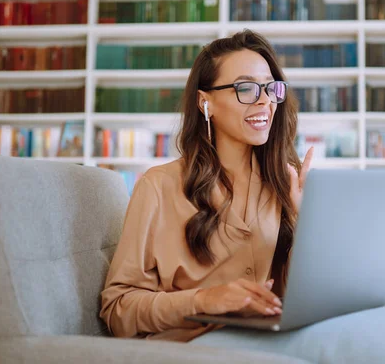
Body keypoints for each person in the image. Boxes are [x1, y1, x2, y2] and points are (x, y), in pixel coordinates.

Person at [99, 29, 314, 343]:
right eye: (247, 88)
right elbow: (117, 309)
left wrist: (309, 223)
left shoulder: (285, 185)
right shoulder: (158, 186)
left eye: (270, 88)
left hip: (268, 344)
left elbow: (297, 298)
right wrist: (203, 299)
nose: (265, 101)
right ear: (205, 103)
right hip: (190, 350)